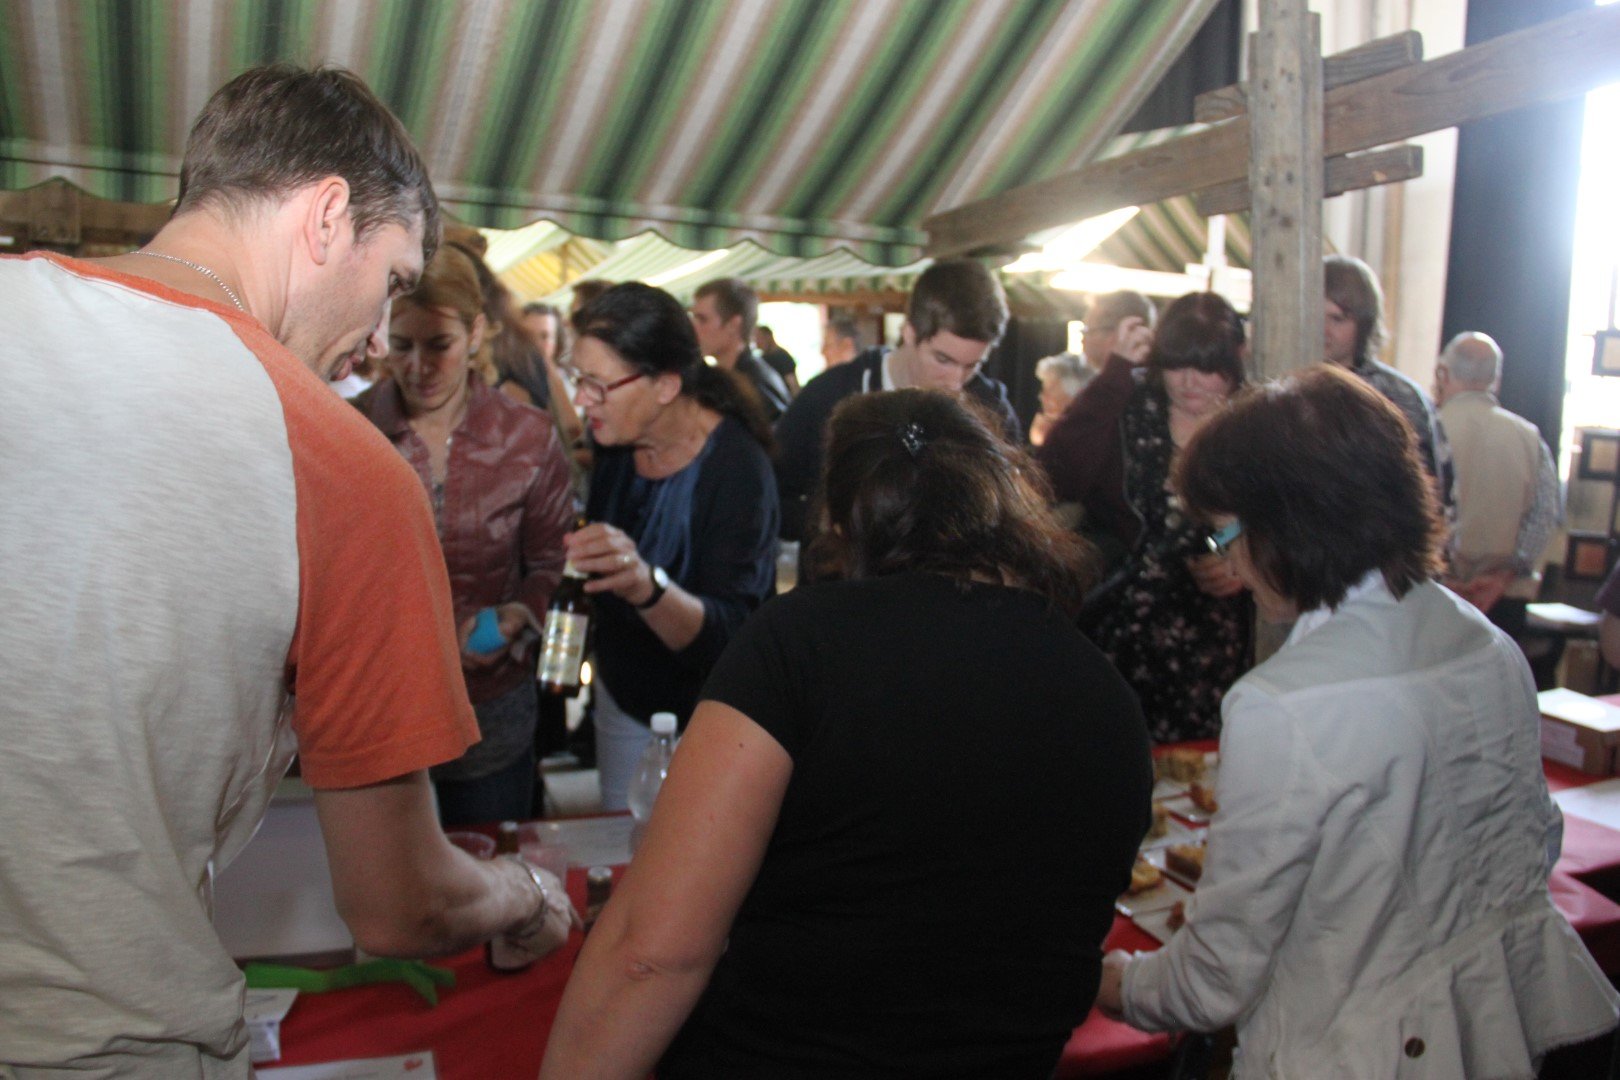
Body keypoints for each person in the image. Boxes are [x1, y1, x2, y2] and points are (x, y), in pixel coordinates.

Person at [0, 64, 571, 1079]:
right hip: (102, 1042)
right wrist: (527, 895)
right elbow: (400, 903)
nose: (377, 341)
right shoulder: (338, 463)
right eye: (391, 282)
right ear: (327, 216)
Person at [542, 388, 1152, 1080]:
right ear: (1003, 507)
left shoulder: (798, 644)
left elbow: (653, 952)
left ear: (837, 520)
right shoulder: (1104, 694)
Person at [1097, 366, 1619, 1075]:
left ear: (1288, 524)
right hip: (1494, 1025)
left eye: (1225, 536)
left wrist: (1117, 983)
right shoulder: (1487, 644)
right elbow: (1526, 847)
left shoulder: (1284, 703)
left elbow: (1216, 978)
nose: (1233, 568)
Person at [353, 245, 574, 825]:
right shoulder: (352, 431)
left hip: (491, 715)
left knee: (489, 865)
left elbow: (554, 561)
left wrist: (519, 613)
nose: (418, 367)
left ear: (476, 334)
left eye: (439, 345)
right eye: (402, 345)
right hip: (382, 713)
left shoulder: (527, 436)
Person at [559, 283, 778, 810]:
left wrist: (645, 585)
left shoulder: (737, 470)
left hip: (713, 716)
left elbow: (731, 635)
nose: (582, 399)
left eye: (597, 385)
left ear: (665, 386)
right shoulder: (614, 445)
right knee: (622, 835)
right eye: (577, 379)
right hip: (623, 696)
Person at [1042, 292, 1252, 743]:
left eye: (1207, 368)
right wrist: (1113, 376)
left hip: (1213, 633)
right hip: (1118, 620)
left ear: (1235, 364)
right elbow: (1056, 474)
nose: (1190, 382)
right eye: (1177, 365)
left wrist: (1236, 550)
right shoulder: (1130, 400)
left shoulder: (1250, 422)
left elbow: (1276, 511)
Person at [774, 259, 1020, 544]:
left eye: (972, 365)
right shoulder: (828, 395)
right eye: (943, 359)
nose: (956, 381)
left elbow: (1016, 518)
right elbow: (769, 500)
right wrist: (828, 521)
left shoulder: (992, 411)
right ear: (909, 331)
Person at [1434, 331, 1560, 631]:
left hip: (1432, 594)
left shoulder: (1425, 430)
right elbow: (1544, 517)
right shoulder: (1529, 438)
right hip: (1502, 599)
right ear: (1496, 379)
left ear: (1442, 374)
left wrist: (1440, 578)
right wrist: (1502, 578)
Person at [1323, 254, 1452, 489]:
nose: (1324, 329)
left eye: (1337, 319)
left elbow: (1429, 489)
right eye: (1316, 316)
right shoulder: (1285, 386)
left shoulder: (1400, 396)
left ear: (1364, 324)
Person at [689, 277, 792, 422]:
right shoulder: (726, 378)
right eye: (693, 318)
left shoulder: (755, 385)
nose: (693, 328)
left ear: (733, 325)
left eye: (702, 319)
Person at [1029, 350, 1092, 447]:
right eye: (1043, 389)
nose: (1041, 396)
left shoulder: (1087, 433)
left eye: (1050, 390)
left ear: (1076, 393)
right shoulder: (1048, 422)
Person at [753, 323, 801, 395]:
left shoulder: (783, 357)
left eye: (759, 338)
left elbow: (793, 386)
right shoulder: (761, 360)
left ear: (768, 336)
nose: (757, 342)